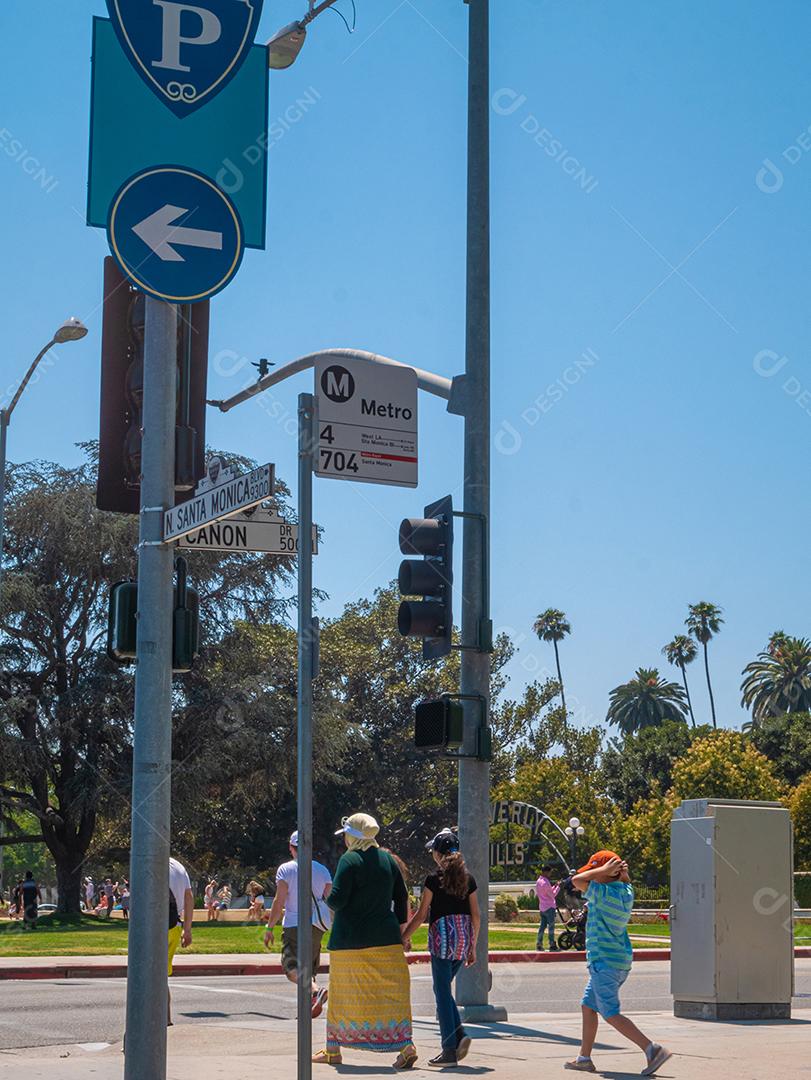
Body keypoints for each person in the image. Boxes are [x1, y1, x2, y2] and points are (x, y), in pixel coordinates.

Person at [314, 813, 417, 1070]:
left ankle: (333, 1051)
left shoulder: (350, 860)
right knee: (392, 995)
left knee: (343, 994)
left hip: (349, 942)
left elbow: (337, 900)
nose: (345, 840)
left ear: (354, 835)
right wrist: (403, 934)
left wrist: (324, 895)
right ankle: (406, 1046)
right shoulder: (387, 860)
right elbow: (402, 898)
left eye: (347, 835)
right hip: (386, 939)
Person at [565, 850, 672, 1075]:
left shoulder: (601, 893)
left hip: (604, 961)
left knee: (610, 1012)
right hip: (619, 960)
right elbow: (624, 881)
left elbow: (576, 881)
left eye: (596, 872)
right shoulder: (626, 890)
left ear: (607, 874)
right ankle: (584, 1058)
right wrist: (619, 874)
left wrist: (603, 870)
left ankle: (652, 1049)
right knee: (588, 1005)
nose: (592, 876)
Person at [402, 829, 480, 1067]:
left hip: (442, 941)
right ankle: (459, 1035)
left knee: (442, 993)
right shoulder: (469, 879)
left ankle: (449, 1050)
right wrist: (473, 946)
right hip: (463, 940)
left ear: (437, 854)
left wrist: (404, 937)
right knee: (444, 991)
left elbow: (421, 914)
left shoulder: (433, 880)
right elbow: (476, 915)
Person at [264, 831, 332, 1018]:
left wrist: (269, 928)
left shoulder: (286, 869)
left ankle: (316, 992)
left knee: (291, 966)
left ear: (291, 848)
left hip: (294, 924)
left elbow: (279, 901)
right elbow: (331, 899)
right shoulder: (322, 870)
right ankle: (307, 1008)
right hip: (317, 925)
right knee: (308, 969)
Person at [168, 856, 194, 1025]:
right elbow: (189, 896)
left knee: (146, 976)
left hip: (154, 927)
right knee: (161, 976)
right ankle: (166, 1019)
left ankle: (147, 1023)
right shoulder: (179, 866)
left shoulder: (150, 862)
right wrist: (187, 929)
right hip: (175, 927)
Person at [536, 864, 559, 951]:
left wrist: (554, 886)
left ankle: (539, 943)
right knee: (551, 927)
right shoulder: (546, 882)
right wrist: (558, 887)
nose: (550, 874)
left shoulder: (539, 881)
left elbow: (547, 892)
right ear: (546, 872)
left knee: (542, 926)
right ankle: (552, 944)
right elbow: (552, 895)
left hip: (542, 907)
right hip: (549, 907)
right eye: (550, 872)